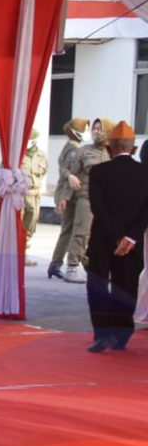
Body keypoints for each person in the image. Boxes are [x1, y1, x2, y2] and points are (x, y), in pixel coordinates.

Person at [83, 122, 148, 351]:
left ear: (109, 147)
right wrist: (129, 238)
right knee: (126, 287)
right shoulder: (145, 173)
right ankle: (121, 336)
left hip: (102, 240)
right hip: (131, 245)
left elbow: (98, 209)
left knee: (98, 286)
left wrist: (116, 236)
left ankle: (102, 334)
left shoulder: (98, 172)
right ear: (133, 148)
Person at [57, 118, 112, 284]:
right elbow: (71, 174)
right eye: (94, 128)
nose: (96, 131)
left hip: (107, 201)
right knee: (81, 233)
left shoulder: (113, 151)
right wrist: (64, 197)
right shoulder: (84, 151)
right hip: (86, 198)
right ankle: (72, 267)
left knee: (102, 236)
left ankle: (98, 268)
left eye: (99, 128)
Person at [49, 118, 88, 279]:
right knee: (76, 231)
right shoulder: (74, 149)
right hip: (71, 195)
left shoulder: (72, 147)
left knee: (69, 231)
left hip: (69, 195)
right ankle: (61, 264)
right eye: (85, 129)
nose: (87, 132)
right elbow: (71, 175)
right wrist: (64, 198)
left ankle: (55, 264)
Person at [21, 128, 48, 266]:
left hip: (34, 195)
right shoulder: (16, 154)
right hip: (20, 195)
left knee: (30, 225)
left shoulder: (41, 155)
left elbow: (43, 171)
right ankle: (17, 254)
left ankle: (23, 253)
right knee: (18, 225)